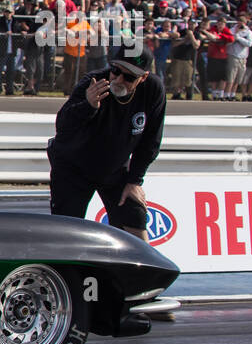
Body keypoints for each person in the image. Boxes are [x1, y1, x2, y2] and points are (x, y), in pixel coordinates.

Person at [47, 50, 165, 241]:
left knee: (134, 216)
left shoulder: (153, 89)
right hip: (73, 166)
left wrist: (135, 181)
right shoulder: (93, 82)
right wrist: (88, 104)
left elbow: (151, 139)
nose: (118, 79)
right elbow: (62, 125)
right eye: (115, 71)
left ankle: (142, 270)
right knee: (67, 228)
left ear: (143, 77)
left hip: (114, 167)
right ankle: (66, 269)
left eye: (128, 77)